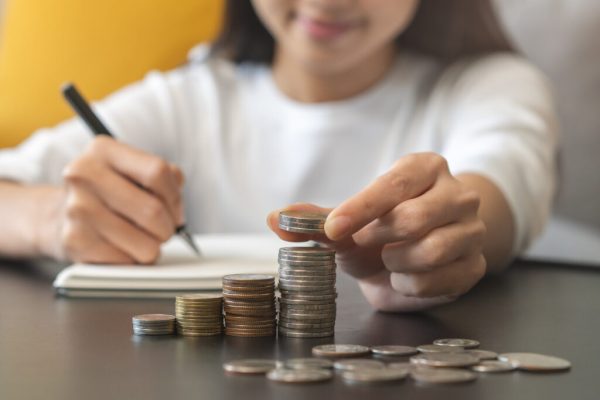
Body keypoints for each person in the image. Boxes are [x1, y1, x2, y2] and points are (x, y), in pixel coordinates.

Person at [0, 0, 558, 311]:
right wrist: (50, 218)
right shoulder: (185, 99)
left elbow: (506, 179)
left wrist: (457, 227)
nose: (326, 2)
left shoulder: (490, 86)